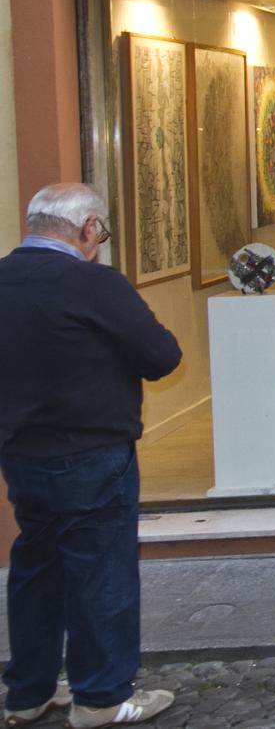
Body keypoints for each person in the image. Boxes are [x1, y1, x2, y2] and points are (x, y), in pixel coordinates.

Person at [0, 183, 181, 727]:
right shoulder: (92, 283)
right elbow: (161, 355)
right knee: (102, 571)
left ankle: (27, 692)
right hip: (91, 448)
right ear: (88, 229)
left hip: (22, 451)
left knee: (36, 566)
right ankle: (100, 697)